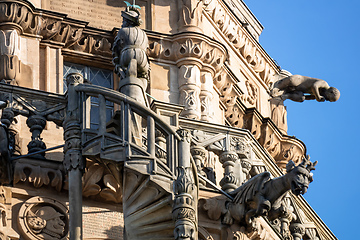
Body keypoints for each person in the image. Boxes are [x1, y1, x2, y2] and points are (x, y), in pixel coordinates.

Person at [270, 75, 340, 102]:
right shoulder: (324, 84)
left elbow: (309, 97)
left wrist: (304, 97)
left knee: (301, 98)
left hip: (296, 90)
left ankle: (286, 95)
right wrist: (318, 96)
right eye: (328, 98)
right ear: (331, 92)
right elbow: (314, 86)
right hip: (298, 81)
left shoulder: (320, 93)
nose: (326, 99)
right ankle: (277, 87)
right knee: (293, 81)